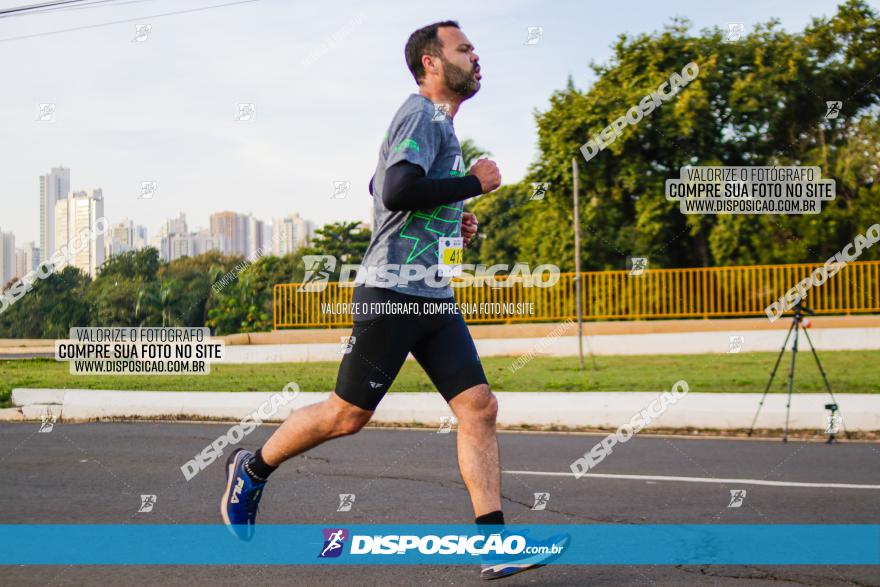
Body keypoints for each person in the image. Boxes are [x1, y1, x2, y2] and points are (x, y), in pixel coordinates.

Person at [221, 20, 568, 580]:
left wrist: (453, 222)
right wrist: (472, 185)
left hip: (432, 295)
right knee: (346, 415)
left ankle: (493, 544)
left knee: (478, 406)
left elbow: (382, 190)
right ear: (432, 62)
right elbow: (396, 189)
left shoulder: (442, 129)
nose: (476, 56)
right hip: (392, 293)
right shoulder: (421, 113)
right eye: (464, 48)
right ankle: (253, 467)